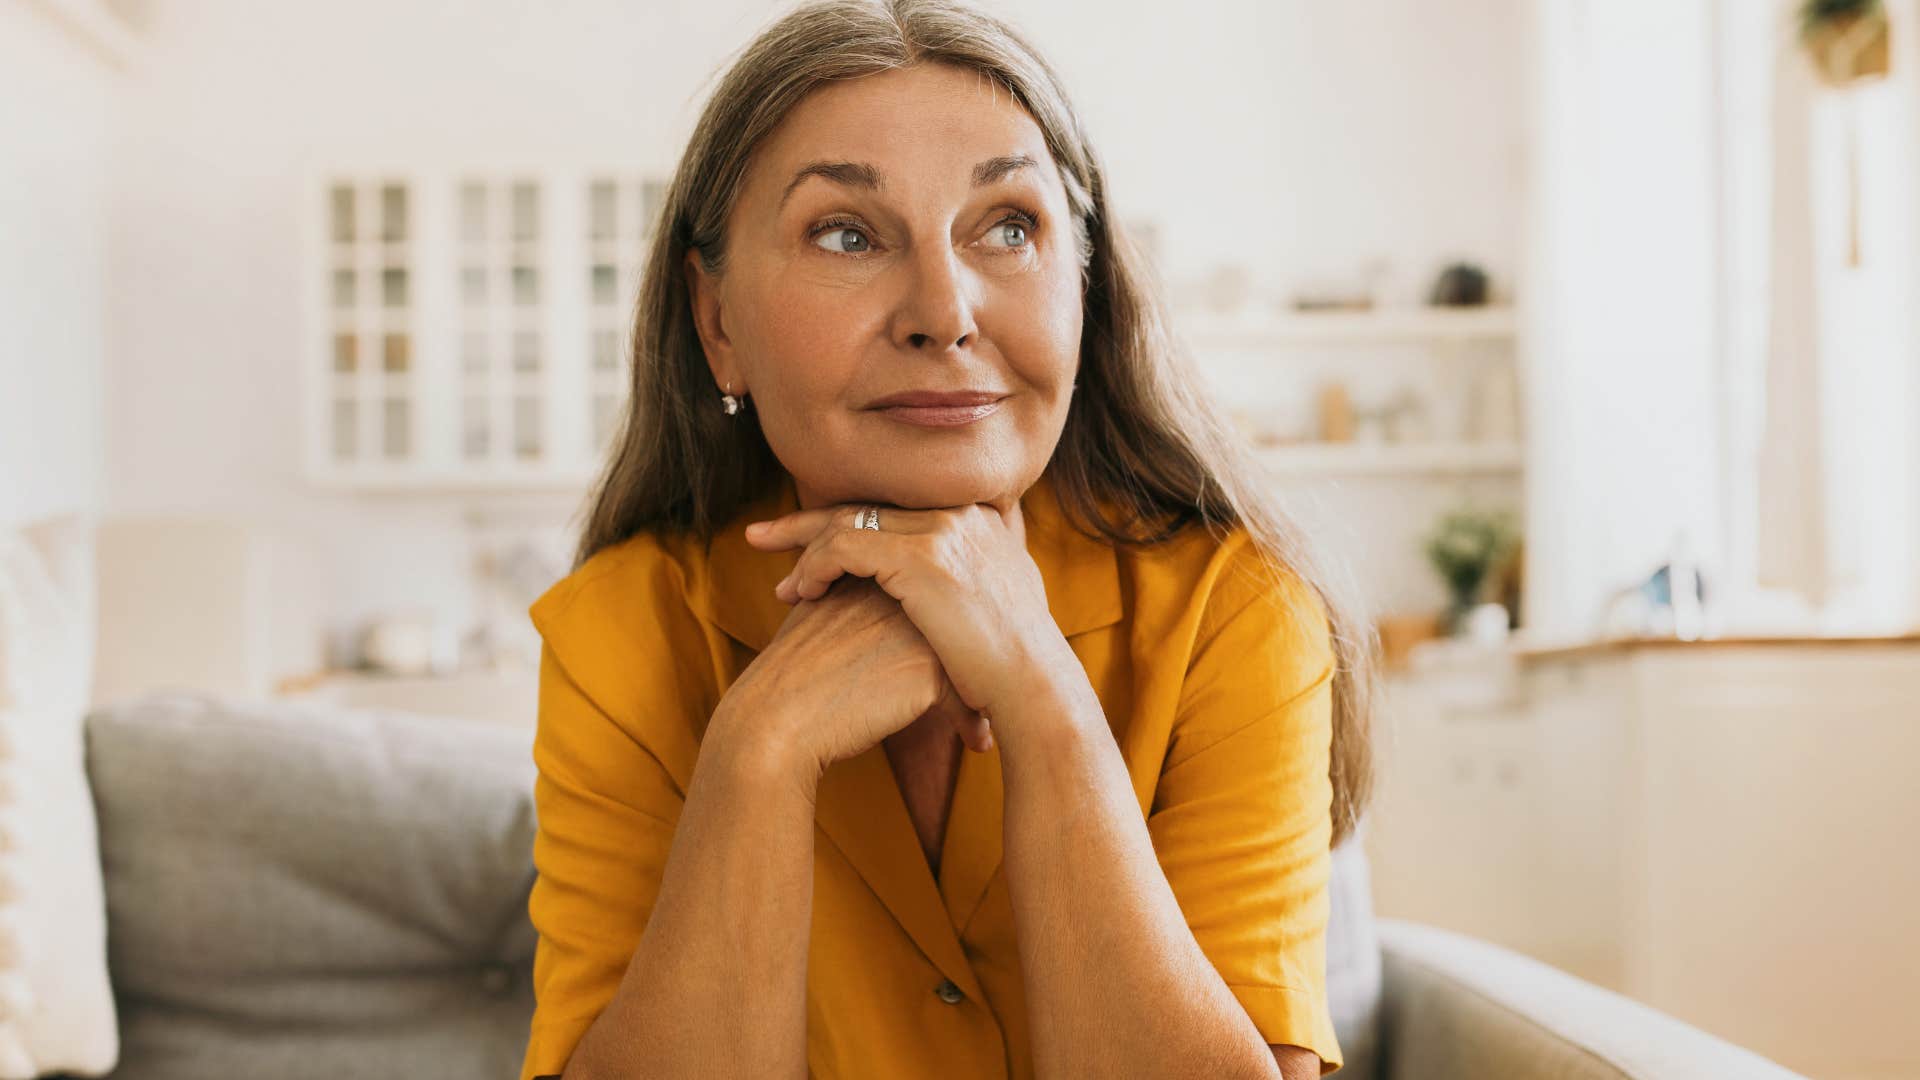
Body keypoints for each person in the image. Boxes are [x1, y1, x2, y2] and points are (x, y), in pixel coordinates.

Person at [520, 1, 1375, 1077]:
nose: (946, 309)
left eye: (1008, 226)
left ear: (1087, 286)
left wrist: (1044, 700)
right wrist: (760, 752)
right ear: (717, 324)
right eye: (846, 233)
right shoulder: (620, 634)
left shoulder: (1235, 614)